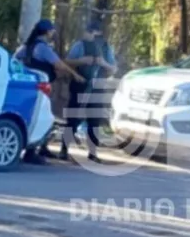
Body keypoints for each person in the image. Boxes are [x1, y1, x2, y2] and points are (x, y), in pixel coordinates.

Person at [14, 19, 84, 164]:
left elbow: (14, 61)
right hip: (42, 88)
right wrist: (75, 75)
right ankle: (32, 152)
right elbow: (59, 64)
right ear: (46, 32)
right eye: (51, 30)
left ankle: (39, 147)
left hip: (26, 88)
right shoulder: (43, 48)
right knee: (43, 117)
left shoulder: (25, 47)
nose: (53, 33)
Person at [62, 21, 118, 163]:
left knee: (94, 121)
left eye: (92, 32)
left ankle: (93, 153)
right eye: (88, 32)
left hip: (97, 88)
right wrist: (82, 61)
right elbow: (67, 62)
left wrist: (103, 63)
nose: (89, 35)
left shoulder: (106, 48)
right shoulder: (80, 45)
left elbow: (113, 69)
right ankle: (64, 150)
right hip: (80, 85)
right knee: (73, 118)